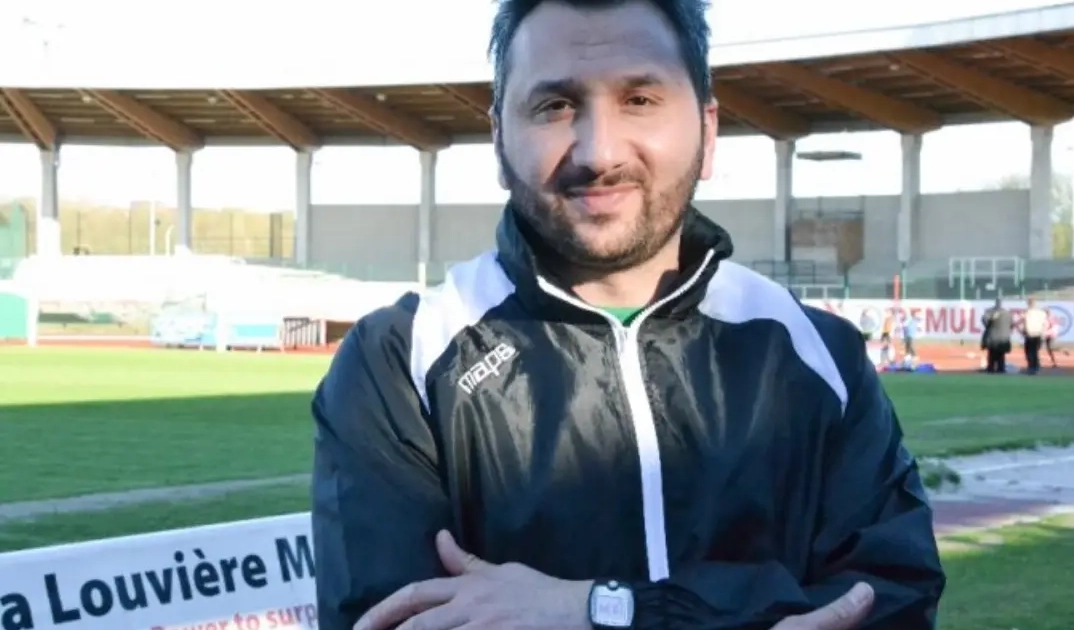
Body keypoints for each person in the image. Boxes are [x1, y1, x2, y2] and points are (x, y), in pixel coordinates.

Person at [310, 1, 945, 629]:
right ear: (499, 140)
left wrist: (600, 608)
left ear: (708, 131)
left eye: (639, 99)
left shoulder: (818, 352)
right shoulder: (399, 362)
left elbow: (891, 602)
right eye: (555, 106)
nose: (599, 151)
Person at [981, 298, 1013, 374]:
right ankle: (1000, 369)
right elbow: (1011, 325)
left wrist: (991, 320)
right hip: (1004, 338)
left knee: (992, 355)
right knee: (1001, 355)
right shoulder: (1007, 313)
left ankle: (991, 369)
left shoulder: (989, 312)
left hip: (993, 337)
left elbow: (985, 321)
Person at [1020, 298, 1048, 375]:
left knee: (1029, 352)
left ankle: (1031, 367)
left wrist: (1023, 331)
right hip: (1038, 334)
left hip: (1030, 334)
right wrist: (1043, 333)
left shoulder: (1027, 312)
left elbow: (1025, 322)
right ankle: (1036, 366)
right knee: (1035, 351)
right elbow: (1045, 324)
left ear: (1028, 304)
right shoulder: (1041, 313)